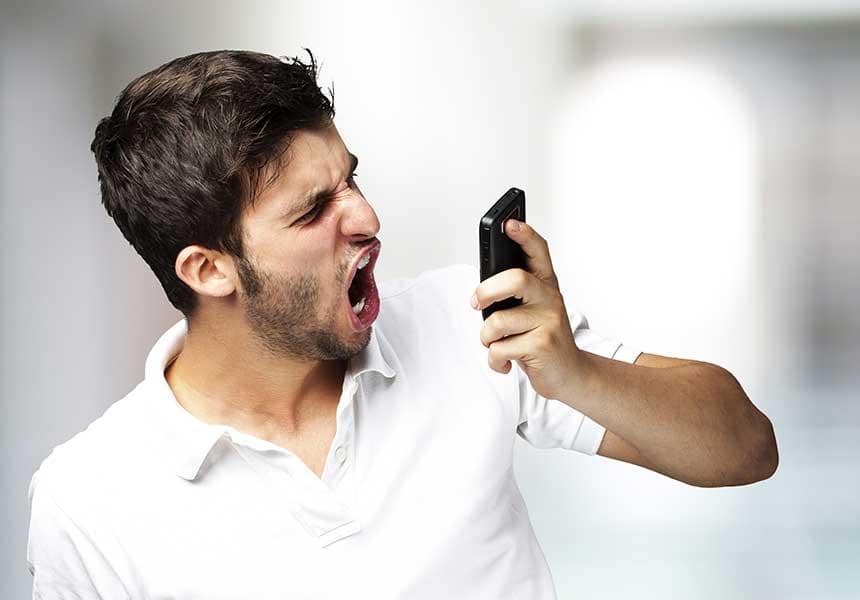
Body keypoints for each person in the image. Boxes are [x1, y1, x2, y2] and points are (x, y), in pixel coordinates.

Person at [26, 49, 778, 599]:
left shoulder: (468, 324)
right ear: (207, 270)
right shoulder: (90, 501)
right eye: (313, 210)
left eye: (349, 177)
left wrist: (576, 372)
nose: (366, 217)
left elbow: (744, 448)